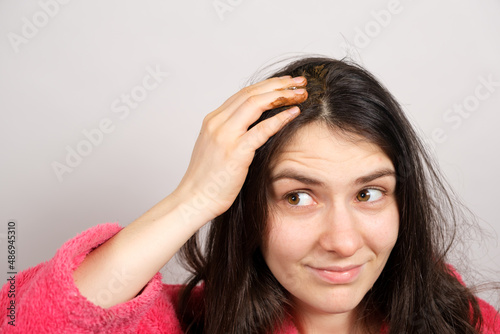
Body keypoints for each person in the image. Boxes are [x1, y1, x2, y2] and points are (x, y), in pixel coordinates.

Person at [1, 56, 498, 334]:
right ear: (247, 210)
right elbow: (24, 323)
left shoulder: (468, 326)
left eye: (369, 193)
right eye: (298, 197)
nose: (343, 242)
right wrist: (193, 198)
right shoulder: (189, 325)